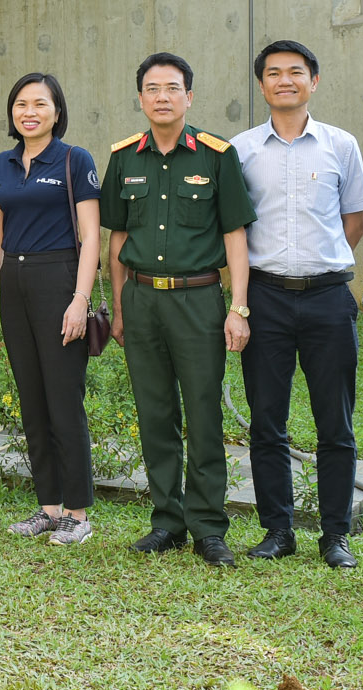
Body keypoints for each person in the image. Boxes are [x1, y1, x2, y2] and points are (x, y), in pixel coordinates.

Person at [99, 52, 255, 566]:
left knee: (204, 413)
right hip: (141, 298)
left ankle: (208, 526)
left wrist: (238, 307)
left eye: (172, 88)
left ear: (189, 96)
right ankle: (166, 521)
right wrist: (119, 307)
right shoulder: (125, 157)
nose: (162, 97)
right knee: (155, 412)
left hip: (198, 300)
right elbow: (117, 238)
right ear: (140, 98)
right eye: (152, 88)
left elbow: (235, 234)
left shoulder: (216, 155)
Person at [230, 40, 363, 570]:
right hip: (263, 298)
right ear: (261, 84)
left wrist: (319, 263)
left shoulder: (341, 145)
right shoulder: (240, 150)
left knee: (335, 422)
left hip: (328, 299)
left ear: (314, 81)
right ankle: (278, 530)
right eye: (273, 73)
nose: (284, 80)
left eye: (296, 72)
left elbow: (354, 220)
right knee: (267, 420)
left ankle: (336, 535)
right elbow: (233, 230)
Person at [0, 72, 102, 546]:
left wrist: (80, 299)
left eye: (40, 104)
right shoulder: (4, 163)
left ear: (57, 111)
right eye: (21, 104)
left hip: (59, 280)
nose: (29, 112)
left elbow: (91, 236)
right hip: (14, 281)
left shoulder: (74, 159)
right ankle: (49, 508)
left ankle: (77, 513)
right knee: (32, 400)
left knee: (63, 400)